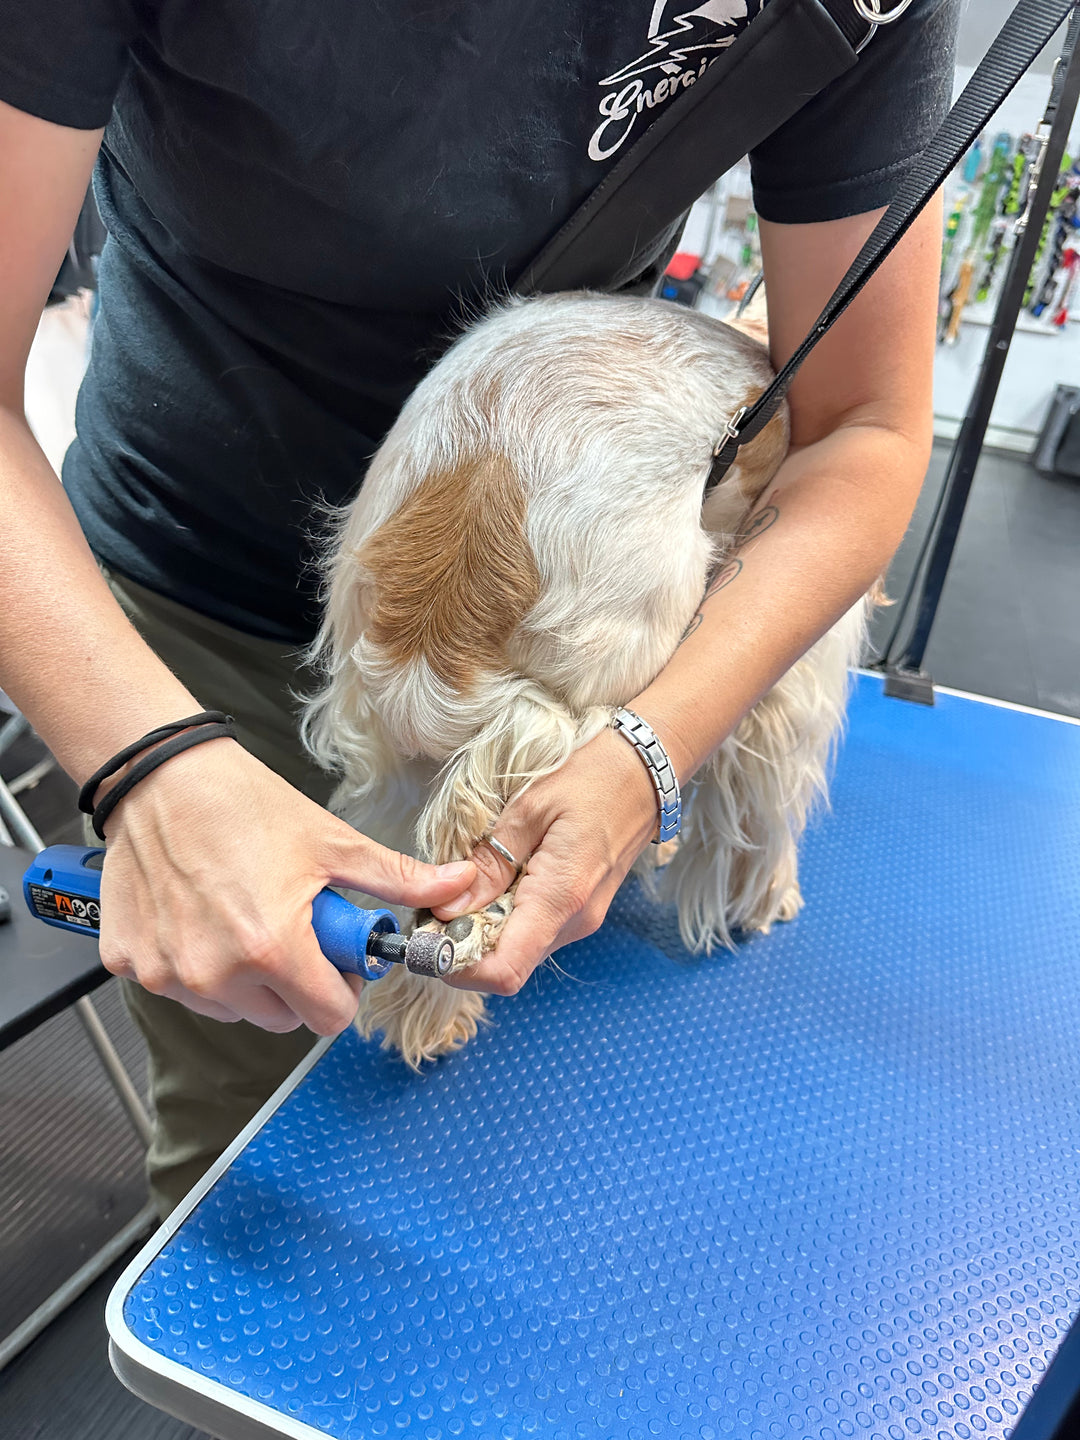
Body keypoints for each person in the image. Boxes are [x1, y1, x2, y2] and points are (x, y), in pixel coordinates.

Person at [0, 0, 960, 1215]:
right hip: (189, 602)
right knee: (264, 1183)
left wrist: (654, 749)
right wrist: (149, 761)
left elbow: (862, 423)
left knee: (536, 1160)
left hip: (588, 596)